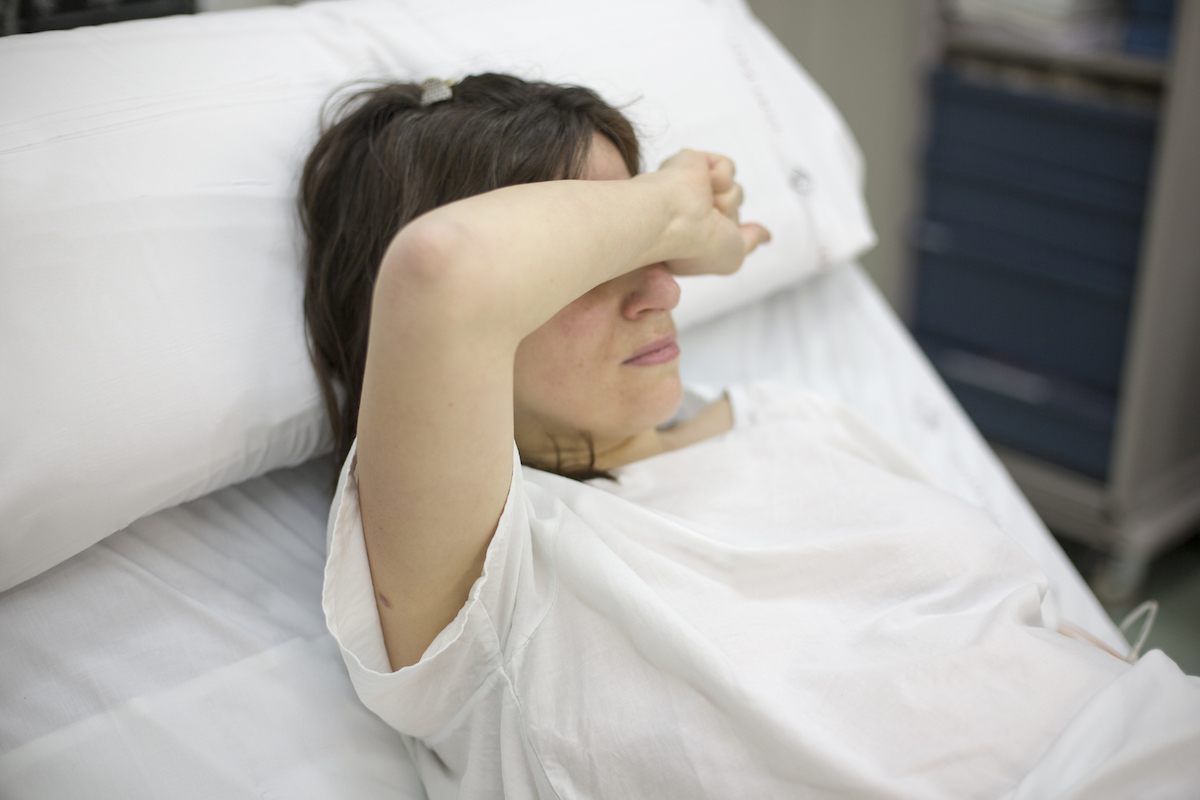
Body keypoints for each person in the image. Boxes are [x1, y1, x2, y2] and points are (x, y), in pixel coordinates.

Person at [301, 74, 1193, 799]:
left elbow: (1035, 635)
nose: (664, 289)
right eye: (592, 252)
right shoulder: (490, 583)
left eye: (657, 248)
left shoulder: (795, 421)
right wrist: (675, 213)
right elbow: (442, 269)